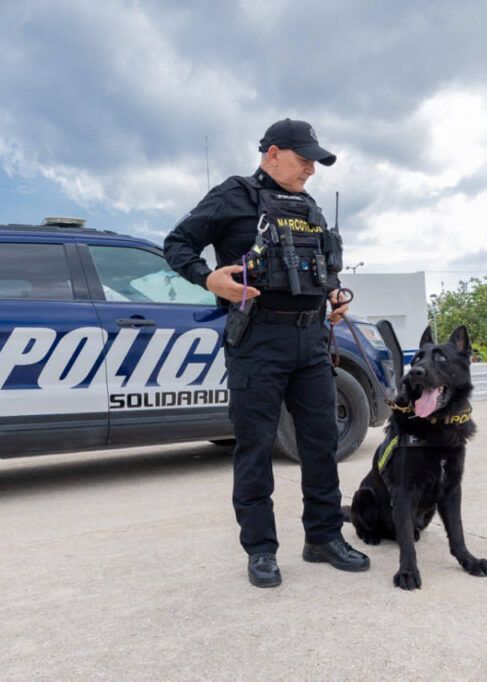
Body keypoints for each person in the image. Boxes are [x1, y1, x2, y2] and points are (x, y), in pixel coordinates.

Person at [164, 118, 370, 587]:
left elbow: (322, 267)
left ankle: (323, 538)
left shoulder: (309, 206)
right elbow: (177, 244)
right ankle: (260, 549)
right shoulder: (232, 195)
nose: (311, 171)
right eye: (303, 161)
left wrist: (333, 297)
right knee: (255, 448)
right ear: (273, 153)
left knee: (321, 444)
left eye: (315, 163)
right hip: (257, 341)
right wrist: (207, 277)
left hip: (312, 340)